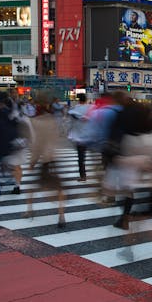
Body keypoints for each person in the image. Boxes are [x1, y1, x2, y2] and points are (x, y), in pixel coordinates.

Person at [28, 92, 65, 227]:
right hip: (54, 157)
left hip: (44, 159)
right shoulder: (52, 119)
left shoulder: (36, 121)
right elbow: (56, 138)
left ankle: (29, 210)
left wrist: (33, 161)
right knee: (59, 188)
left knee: (35, 186)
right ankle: (61, 216)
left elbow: (37, 143)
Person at [67, 93, 93, 182]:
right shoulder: (91, 108)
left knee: (81, 157)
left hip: (79, 136)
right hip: (90, 135)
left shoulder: (74, 109)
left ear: (78, 100)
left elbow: (69, 123)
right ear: (86, 100)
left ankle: (83, 175)